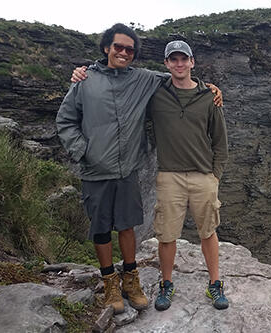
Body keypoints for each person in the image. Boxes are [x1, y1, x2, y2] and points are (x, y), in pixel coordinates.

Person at [57, 23, 222, 314]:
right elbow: (66, 120)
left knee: (127, 224)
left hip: (128, 169)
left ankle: (131, 280)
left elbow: (179, 78)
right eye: (118, 46)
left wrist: (210, 87)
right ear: (106, 47)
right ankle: (110, 282)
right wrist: (82, 152)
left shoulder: (143, 79)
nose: (123, 52)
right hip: (96, 170)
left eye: (129, 49)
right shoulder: (84, 81)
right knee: (101, 228)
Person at [149, 40, 229, 311]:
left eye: (184, 59)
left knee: (208, 231)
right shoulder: (156, 94)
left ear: (192, 62)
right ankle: (166, 284)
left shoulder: (209, 96)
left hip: (202, 176)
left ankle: (215, 284)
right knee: (167, 235)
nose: (179, 64)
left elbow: (220, 141)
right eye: (174, 60)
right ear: (167, 64)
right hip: (169, 175)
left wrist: (214, 176)